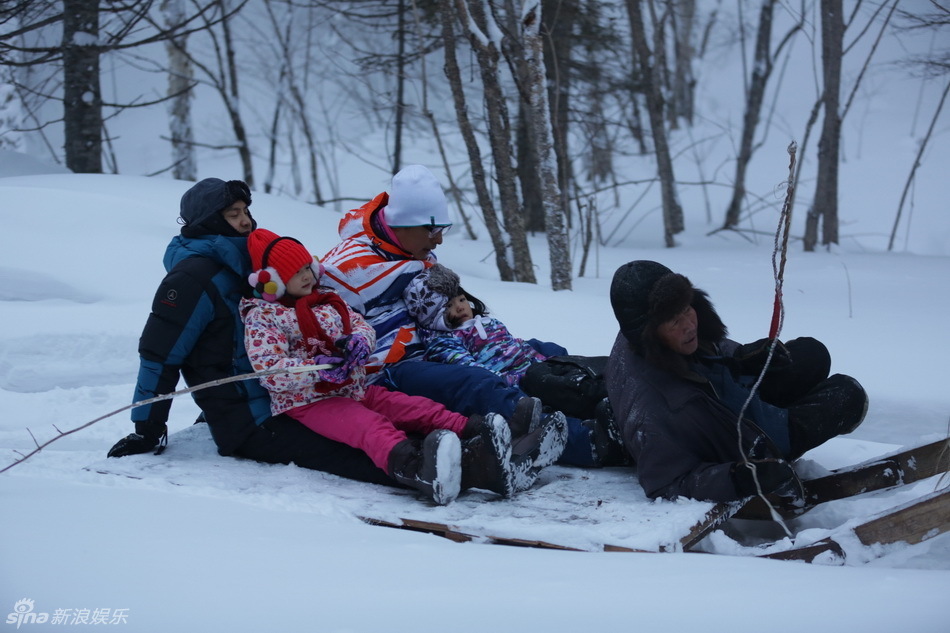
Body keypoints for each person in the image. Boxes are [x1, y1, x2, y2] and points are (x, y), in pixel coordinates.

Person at [107, 178, 393, 488]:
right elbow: (159, 355)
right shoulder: (192, 278)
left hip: (299, 397)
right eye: (233, 214)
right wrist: (147, 429)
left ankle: (443, 448)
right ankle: (433, 471)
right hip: (253, 422)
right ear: (209, 220)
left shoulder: (252, 261)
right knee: (365, 453)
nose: (245, 220)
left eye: (245, 210)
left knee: (389, 421)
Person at [240, 228, 557, 503]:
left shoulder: (325, 300)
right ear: (273, 283)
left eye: (307, 267)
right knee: (371, 428)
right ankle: (418, 469)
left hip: (354, 387)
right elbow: (268, 369)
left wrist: (359, 343)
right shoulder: (264, 317)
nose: (307, 276)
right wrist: (316, 366)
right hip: (309, 401)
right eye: (296, 273)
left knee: (418, 409)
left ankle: (485, 435)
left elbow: (360, 325)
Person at [320, 164, 607, 467]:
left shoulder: (415, 251)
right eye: (432, 230)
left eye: (443, 229)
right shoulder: (347, 270)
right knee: (476, 383)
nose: (439, 240)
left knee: (535, 351)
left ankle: (599, 397)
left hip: (441, 346)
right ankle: (586, 441)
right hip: (392, 372)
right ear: (403, 224)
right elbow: (324, 331)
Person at [605, 260, 869, 503]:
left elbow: (707, 349)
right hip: (742, 442)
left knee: (811, 353)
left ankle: (776, 407)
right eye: (675, 320)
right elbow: (666, 484)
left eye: (687, 308)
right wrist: (740, 478)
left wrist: (742, 357)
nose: (689, 325)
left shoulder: (641, 329)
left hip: (725, 400)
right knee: (847, 395)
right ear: (649, 334)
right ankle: (786, 431)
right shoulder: (653, 409)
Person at [403, 263, 555, 386]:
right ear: (434, 315)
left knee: (553, 350)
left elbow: (516, 346)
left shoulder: (489, 323)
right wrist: (522, 380)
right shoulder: (445, 341)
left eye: (462, 300)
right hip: (511, 385)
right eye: (449, 306)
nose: (461, 307)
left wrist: (546, 364)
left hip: (530, 370)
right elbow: (474, 372)